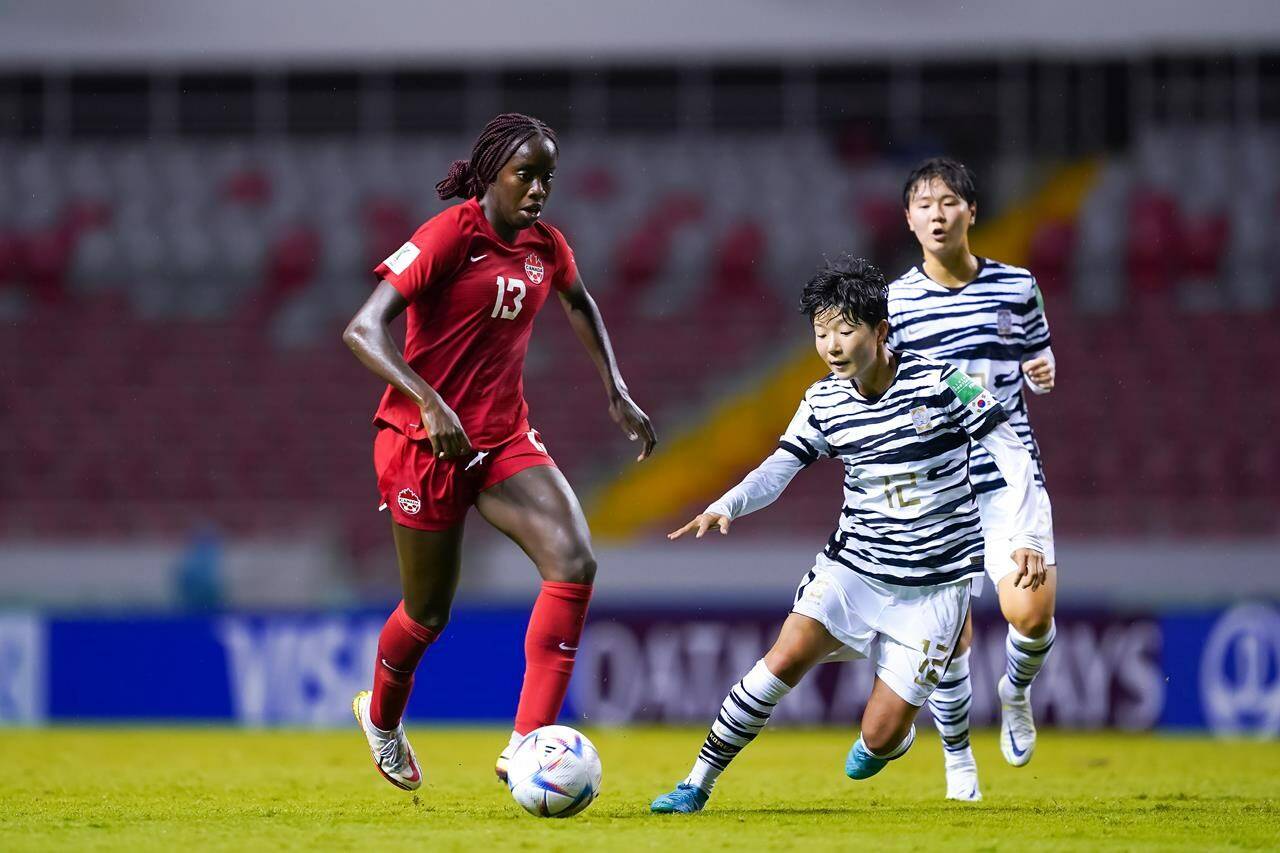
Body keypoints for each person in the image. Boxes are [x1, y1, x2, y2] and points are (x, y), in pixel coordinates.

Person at [649, 255, 1043, 814]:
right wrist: (727, 504)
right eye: (821, 332)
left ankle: (895, 737)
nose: (832, 345)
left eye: (845, 330)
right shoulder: (822, 400)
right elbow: (778, 470)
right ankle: (696, 784)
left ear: (882, 332)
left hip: (935, 586)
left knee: (879, 738)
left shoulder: (945, 382)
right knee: (783, 658)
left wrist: (1025, 533)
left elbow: (1010, 448)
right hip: (854, 568)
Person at [342, 113, 656, 791]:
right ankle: (383, 721)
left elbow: (580, 302)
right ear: (491, 174)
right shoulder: (450, 234)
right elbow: (362, 329)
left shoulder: (547, 245)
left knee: (574, 560)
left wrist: (617, 387)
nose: (539, 189)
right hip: (422, 444)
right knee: (426, 612)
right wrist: (428, 399)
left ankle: (525, 744)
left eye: (548, 176)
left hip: (501, 437)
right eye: (525, 174)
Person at [887, 156, 1057, 801]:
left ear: (972, 212)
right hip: (936, 482)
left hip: (1009, 470)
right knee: (949, 633)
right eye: (924, 204)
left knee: (1031, 612)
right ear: (908, 219)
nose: (937, 213)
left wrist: (1041, 369)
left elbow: (1036, 347)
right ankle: (959, 760)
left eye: (949, 201)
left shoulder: (1017, 286)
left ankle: (1014, 691)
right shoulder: (894, 302)